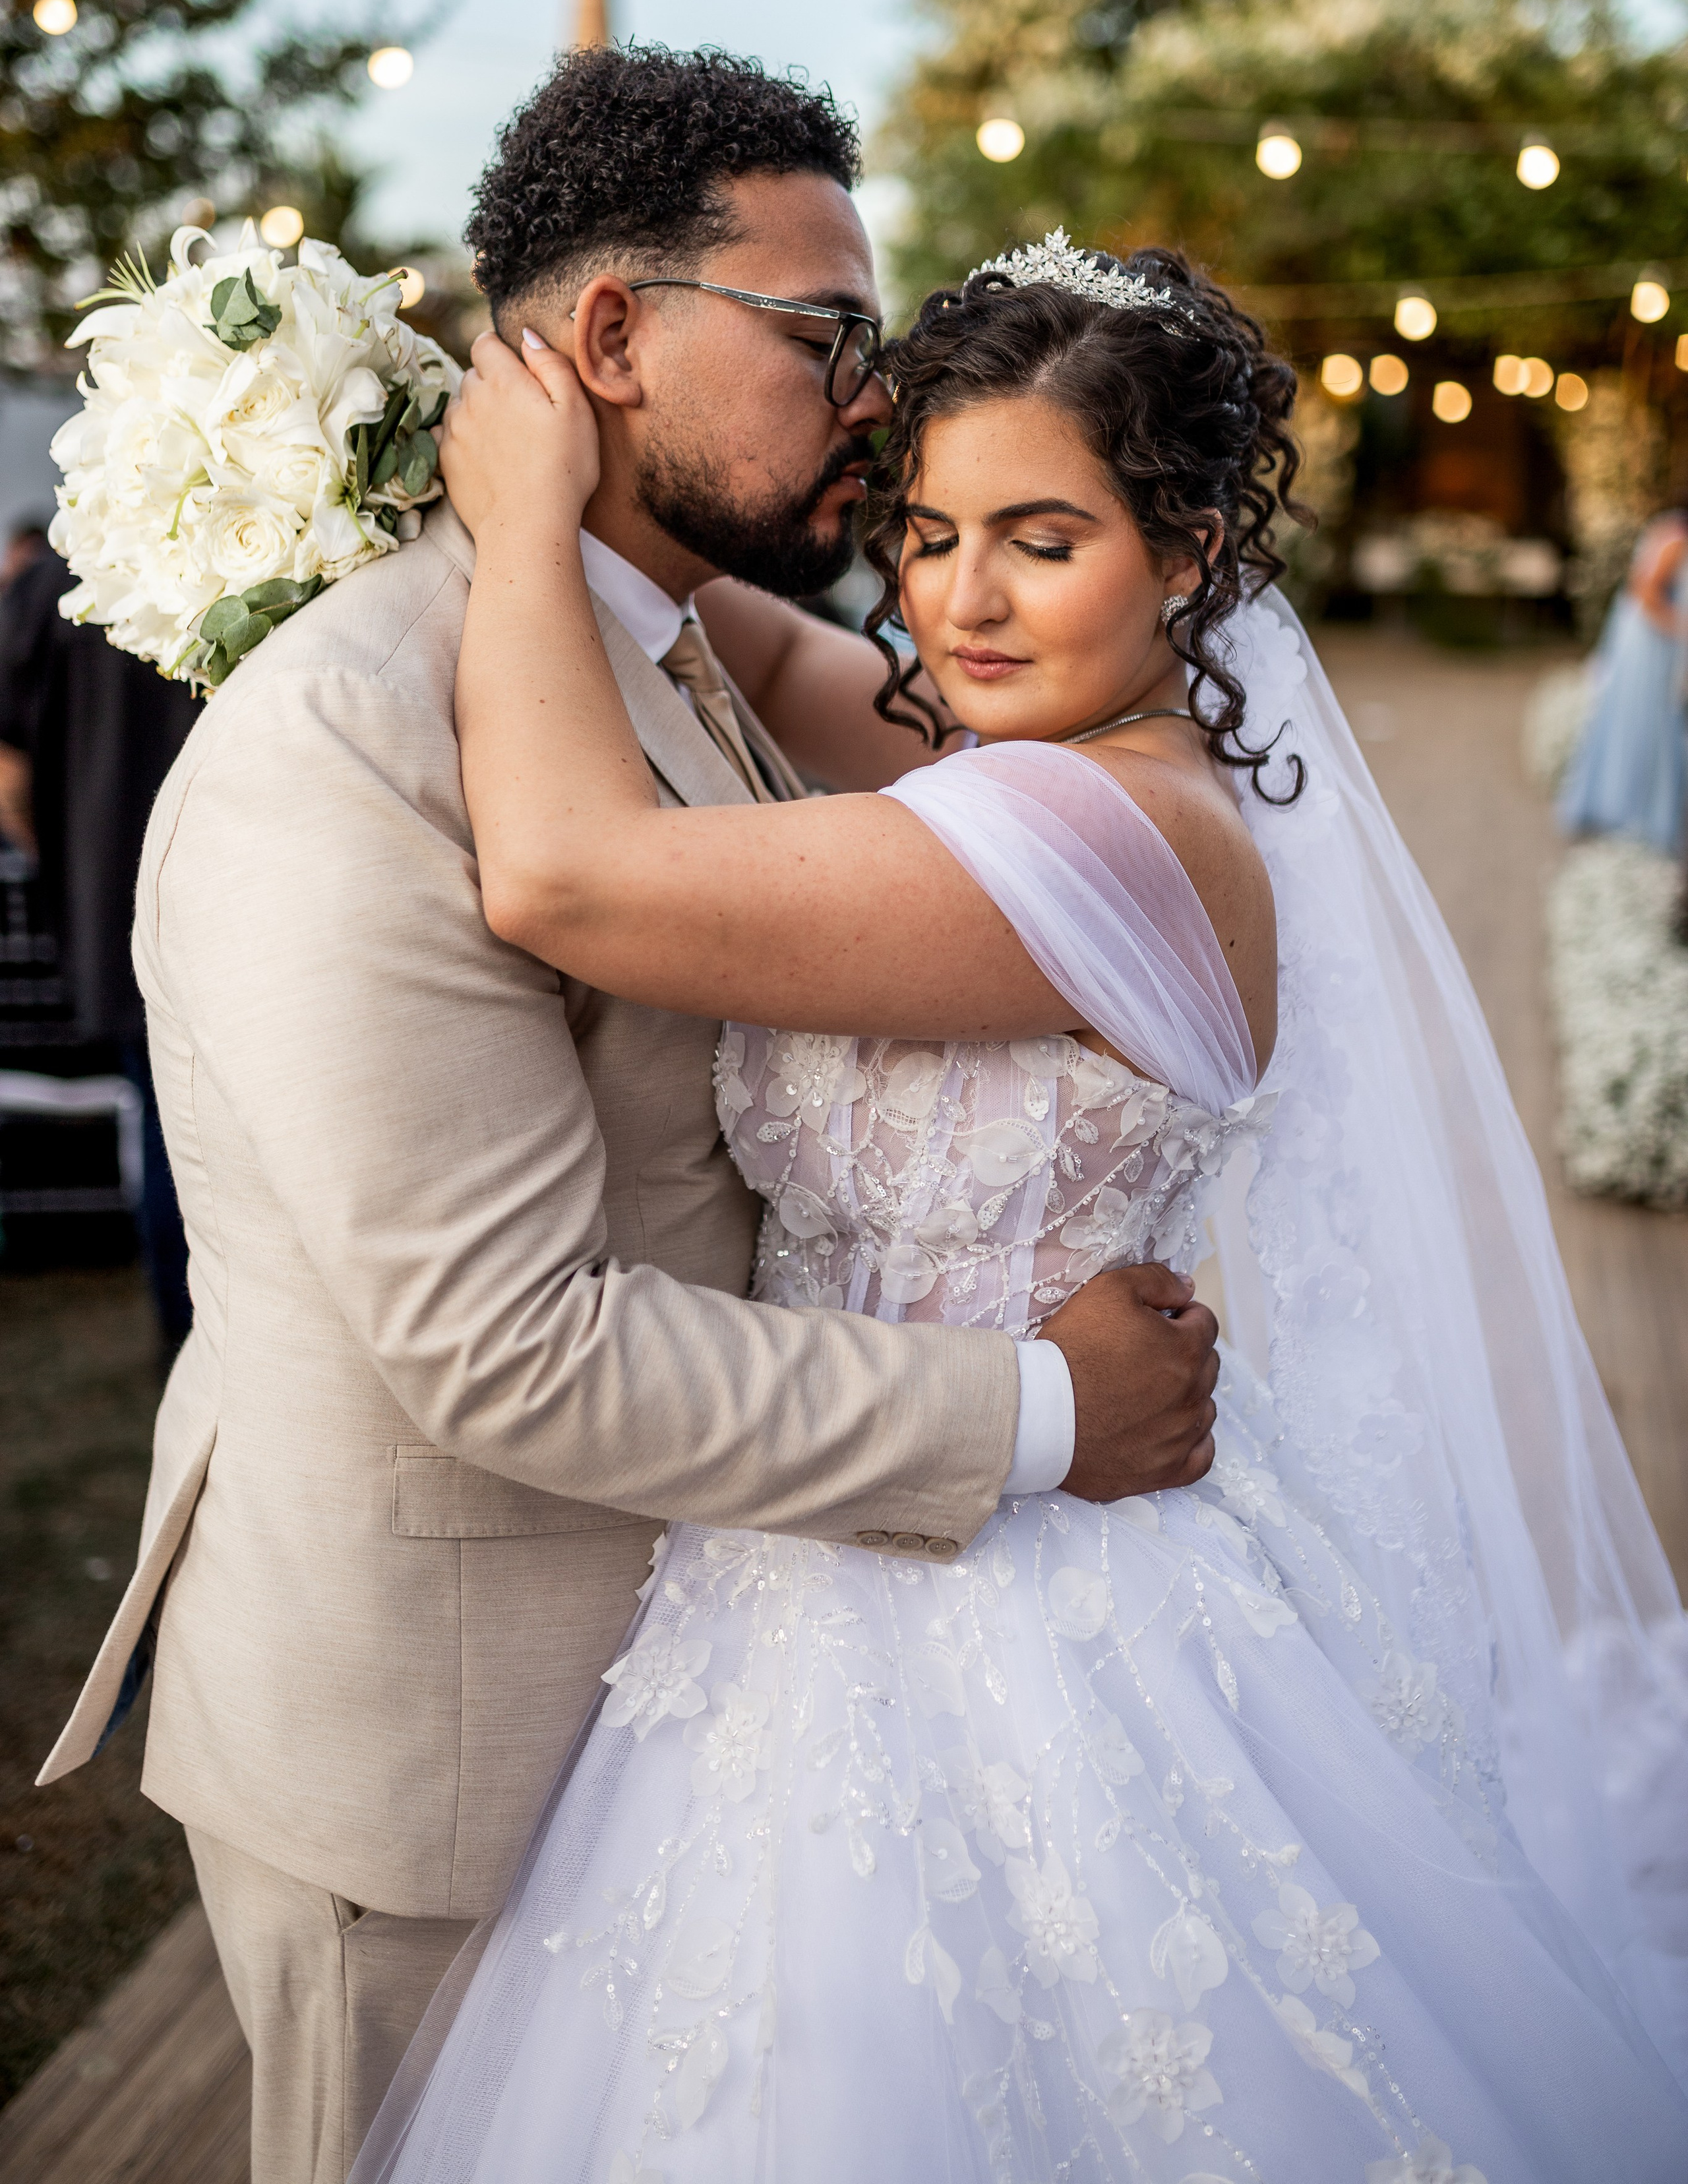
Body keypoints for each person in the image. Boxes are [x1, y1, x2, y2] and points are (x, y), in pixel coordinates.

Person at [355, 232, 1688, 2182]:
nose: (959, 599)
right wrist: (628, 458)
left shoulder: (1109, 833)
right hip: (812, 1542)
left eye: (1040, 538)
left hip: (1017, 1581)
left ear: (1194, 549)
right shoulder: (1042, 751)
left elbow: (566, 876)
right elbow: (749, 640)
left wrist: (526, 504)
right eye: (928, 528)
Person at [37, 50, 1222, 2184]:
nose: (875, 397)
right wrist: (1040, 1415)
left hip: (723, 1689)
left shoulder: (665, 651)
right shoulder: (354, 740)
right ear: (608, 339)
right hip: (445, 1750)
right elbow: (504, 1340)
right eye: (826, 336)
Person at [0, 535, 198, 1357]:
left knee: (166, 1133)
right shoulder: (265, 549)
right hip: (242, 890)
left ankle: (186, 1347)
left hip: (111, 900)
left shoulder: (54, 584)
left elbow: (9, 775)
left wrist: (67, 865)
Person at [1557, 510, 1688, 855]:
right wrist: (1682, 626)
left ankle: (1624, 808)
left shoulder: (1668, 526)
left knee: (1635, 721)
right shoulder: (1677, 539)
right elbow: (1644, 590)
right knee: (1649, 724)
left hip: (1648, 644)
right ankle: (1637, 815)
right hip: (1653, 646)